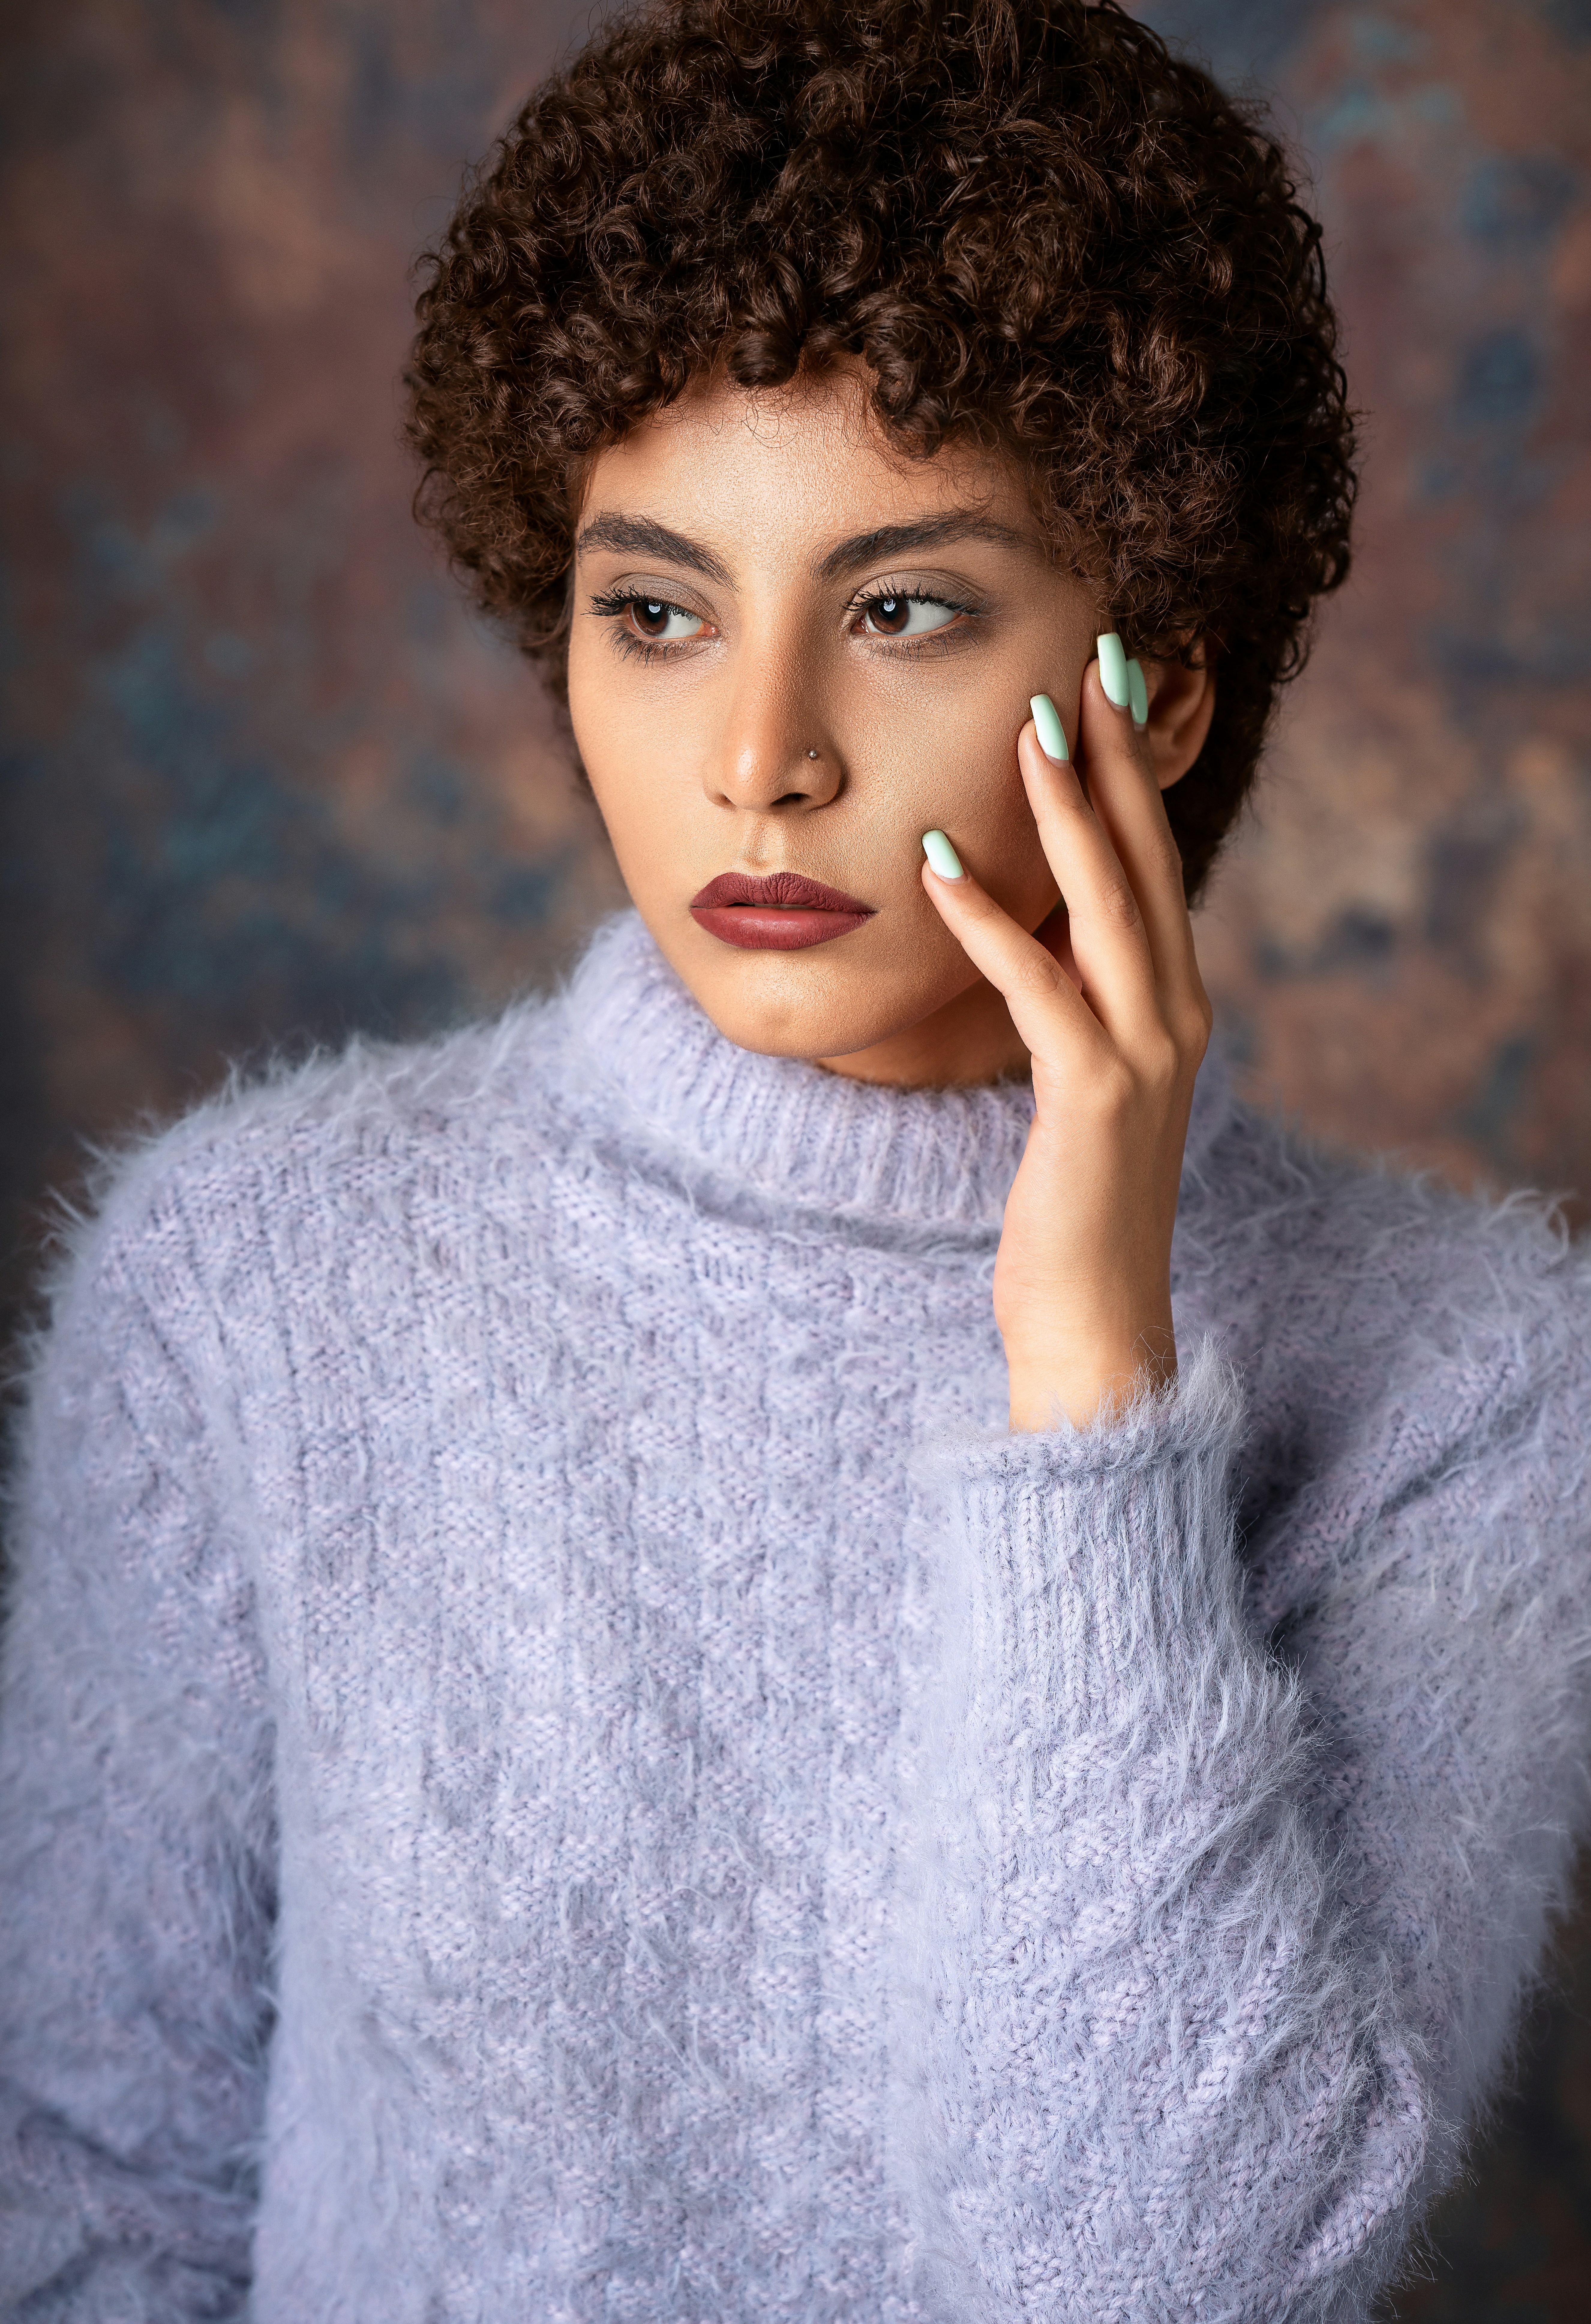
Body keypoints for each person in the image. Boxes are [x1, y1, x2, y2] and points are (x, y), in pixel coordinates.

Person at [2, 1, 1587, 2317]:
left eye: (903, 610)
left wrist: (1090, 1388)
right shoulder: (251, 1282)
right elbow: (82, 2205)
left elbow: (1145, 2278)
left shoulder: (1473, 1382)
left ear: (1159, 688)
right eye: (654, 612)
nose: (756, 757)